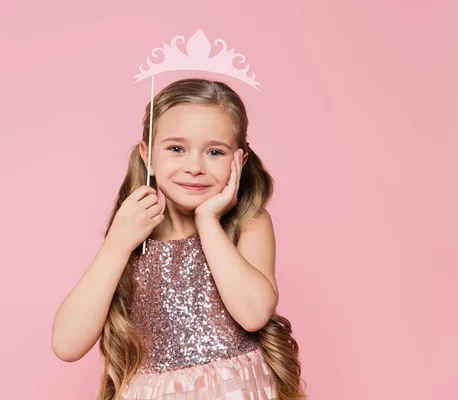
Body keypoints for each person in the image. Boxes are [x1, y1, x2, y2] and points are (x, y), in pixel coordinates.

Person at [51, 78, 306, 399]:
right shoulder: (131, 236)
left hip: (233, 390)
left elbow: (253, 314)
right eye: (176, 149)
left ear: (239, 161)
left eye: (215, 151)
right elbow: (66, 345)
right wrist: (116, 245)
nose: (195, 166)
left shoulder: (249, 223)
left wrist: (208, 220)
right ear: (149, 156)